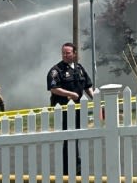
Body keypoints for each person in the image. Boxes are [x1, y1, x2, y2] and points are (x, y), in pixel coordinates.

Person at [47, 42, 93, 175]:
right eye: (63, 53)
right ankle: (68, 168)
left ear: (74, 53)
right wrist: (69, 94)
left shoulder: (79, 68)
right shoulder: (57, 70)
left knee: (77, 135)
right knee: (69, 137)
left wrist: (95, 98)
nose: (65, 55)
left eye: (68, 53)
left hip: (79, 109)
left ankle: (77, 165)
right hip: (64, 109)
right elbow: (53, 88)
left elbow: (87, 85)